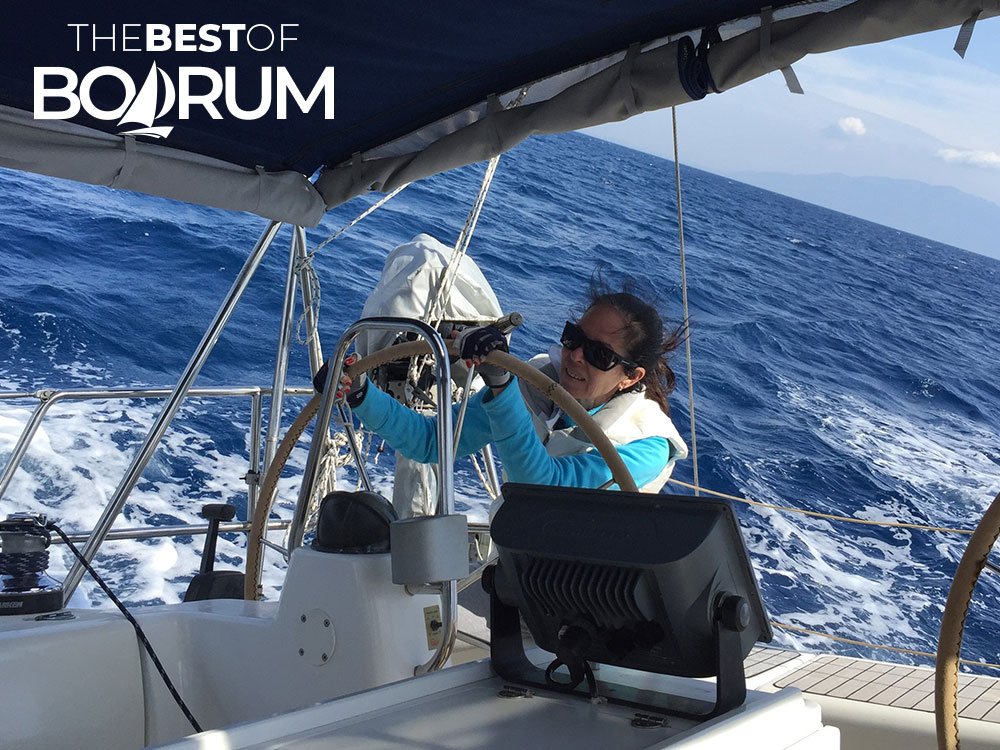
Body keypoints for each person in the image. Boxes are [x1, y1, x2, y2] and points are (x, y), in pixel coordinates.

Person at [333, 286, 688, 494]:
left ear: (630, 376)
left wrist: (501, 387)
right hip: (521, 567)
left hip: (593, 599)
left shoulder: (647, 445)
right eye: (573, 338)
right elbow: (431, 441)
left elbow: (544, 488)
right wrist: (361, 393)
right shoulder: (536, 383)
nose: (576, 356)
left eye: (600, 354)